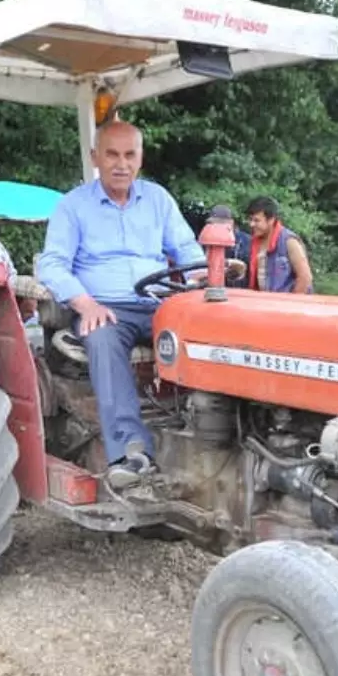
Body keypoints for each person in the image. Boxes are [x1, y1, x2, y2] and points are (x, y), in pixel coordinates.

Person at [37, 120, 205, 489]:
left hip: (161, 303)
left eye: (130, 155)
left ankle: (215, 435)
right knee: (103, 336)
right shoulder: (73, 206)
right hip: (106, 308)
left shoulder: (158, 199)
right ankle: (131, 452)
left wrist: (197, 282)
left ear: (140, 159)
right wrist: (86, 304)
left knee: (215, 330)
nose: (121, 164)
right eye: (112, 154)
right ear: (95, 157)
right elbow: (51, 263)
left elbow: (188, 250)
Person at [242, 196, 314, 294]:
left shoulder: (289, 241)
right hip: (262, 303)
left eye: (256, 220)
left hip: (285, 305)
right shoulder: (254, 241)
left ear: (271, 220)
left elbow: (305, 278)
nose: (251, 224)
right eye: (250, 220)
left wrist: (291, 304)